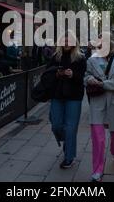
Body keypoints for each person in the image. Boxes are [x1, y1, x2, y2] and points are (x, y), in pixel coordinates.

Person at [85, 35, 114, 182]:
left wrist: (104, 84)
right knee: (98, 138)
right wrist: (88, 80)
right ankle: (97, 170)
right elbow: (85, 76)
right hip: (97, 102)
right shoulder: (92, 60)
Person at [47, 32, 86, 169]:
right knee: (56, 125)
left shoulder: (80, 58)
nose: (67, 43)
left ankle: (69, 157)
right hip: (57, 95)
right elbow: (47, 74)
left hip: (74, 96)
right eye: (65, 40)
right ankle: (67, 140)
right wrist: (57, 73)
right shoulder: (55, 57)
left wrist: (72, 74)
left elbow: (82, 78)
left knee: (70, 128)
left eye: (70, 41)